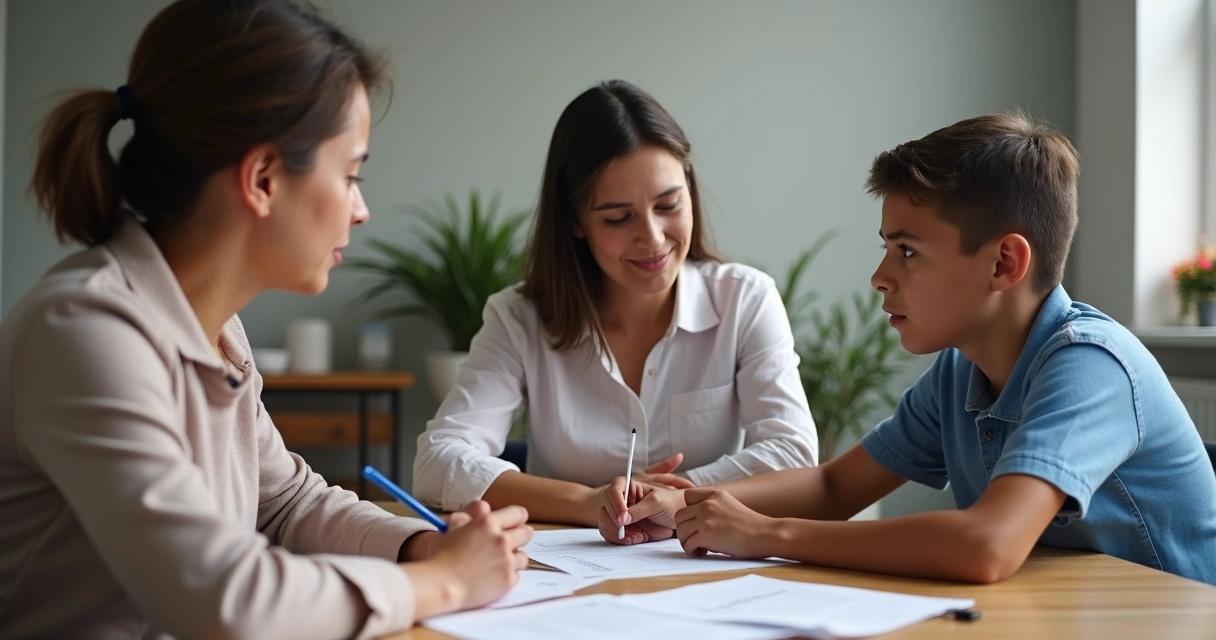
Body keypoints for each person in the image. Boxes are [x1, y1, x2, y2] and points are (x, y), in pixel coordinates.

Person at [0, 1, 532, 638]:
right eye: (351, 173)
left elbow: (286, 504)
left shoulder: (215, 327)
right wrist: (444, 582)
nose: (360, 210)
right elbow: (224, 599)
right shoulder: (84, 331)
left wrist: (424, 547)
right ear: (262, 179)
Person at [600, 112, 1216, 585]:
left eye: (908, 251)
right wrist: (686, 501)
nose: (880, 277)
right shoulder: (961, 370)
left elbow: (987, 545)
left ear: (1004, 262)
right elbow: (835, 489)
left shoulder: (1091, 365)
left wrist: (768, 533)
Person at [413, 80, 818, 526]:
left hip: (704, 564)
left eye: (669, 205)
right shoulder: (518, 318)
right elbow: (437, 462)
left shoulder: (744, 299)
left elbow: (793, 453)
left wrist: (674, 497)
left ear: (690, 191)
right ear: (575, 222)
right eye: (618, 218)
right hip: (567, 572)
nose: (653, 238)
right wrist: (586, 503)